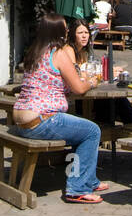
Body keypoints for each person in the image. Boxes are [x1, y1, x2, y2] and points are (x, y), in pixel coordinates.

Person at [12, 14, 107, 203]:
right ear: (57, 31)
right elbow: (79, 89)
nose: (66, 32)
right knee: (92, 131)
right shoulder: (59, 53)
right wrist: (93, 82)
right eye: (64, 28)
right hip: (42, 119)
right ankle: (77, 188)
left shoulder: (35, 51)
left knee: (80, 130)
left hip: (22, 120)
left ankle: (89, 179)